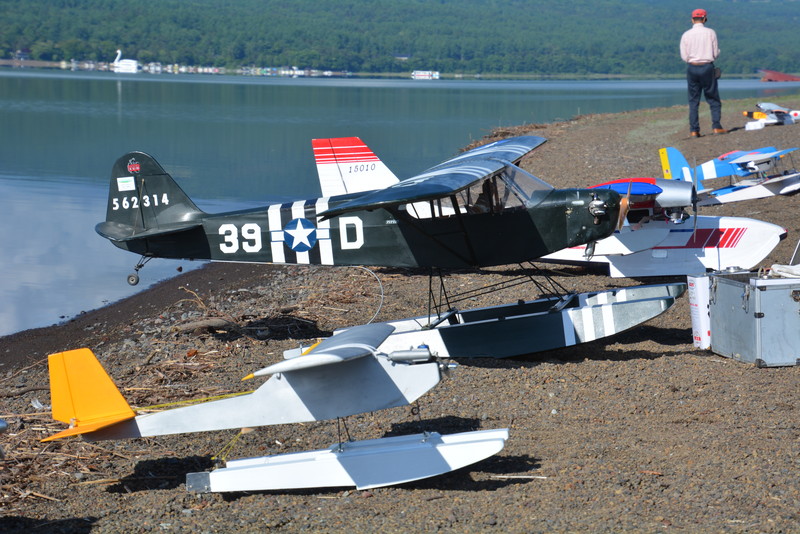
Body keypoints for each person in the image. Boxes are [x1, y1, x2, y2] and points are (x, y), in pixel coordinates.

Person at [680, 8, 724, 137]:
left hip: (692, 68)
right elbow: (715, 53)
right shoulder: (710, 33)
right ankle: (716, 127)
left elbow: (684, 56)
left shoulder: (686, 35)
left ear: (692, 19)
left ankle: (694, 130)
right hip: (707, 67)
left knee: (693, 100)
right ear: (705, 19)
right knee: (713, 98)